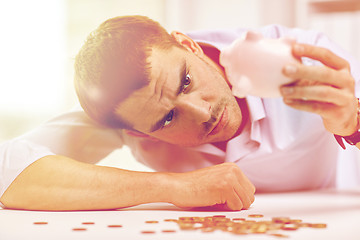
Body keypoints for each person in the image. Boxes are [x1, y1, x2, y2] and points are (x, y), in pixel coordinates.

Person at [0, 15, 359, 211]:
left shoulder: (296, 58)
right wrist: (170, 186)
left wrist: (354, 123)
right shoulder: (121, 118)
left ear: (188, 44)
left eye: (185, 81)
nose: (202, 112)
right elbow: (7, 168)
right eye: (167, 119)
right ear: (139, 134)